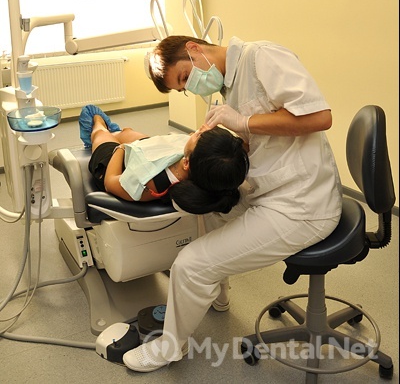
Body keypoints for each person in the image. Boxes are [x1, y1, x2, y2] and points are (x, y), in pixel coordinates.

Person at [121, 35, 342, 372]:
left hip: (301, 205)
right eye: (183, 88)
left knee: (190, 264)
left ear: (193, 49)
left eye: (184, 77)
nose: (190, 87)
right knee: (207, 213)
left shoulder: (262, 58)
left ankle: (169, 348)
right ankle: (217, 291)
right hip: (270, 188)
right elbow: (265, 136)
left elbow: (319, 117)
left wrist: (243, 123)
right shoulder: (229, 85)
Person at [78, 104, 249, 215]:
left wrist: (121, 148)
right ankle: (117, 132)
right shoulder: (209, 165)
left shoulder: (150, 184)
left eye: (199, 134)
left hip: (116, 165)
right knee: (127, 132)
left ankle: (101, 126)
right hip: (155, 157)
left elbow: (110, 182)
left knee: (97, 125)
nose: (202, 128)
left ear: (186, 162)